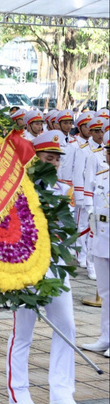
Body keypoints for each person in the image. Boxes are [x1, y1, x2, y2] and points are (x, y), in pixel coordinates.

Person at [6, 130, 88, 404]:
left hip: (55, 267)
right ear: (34, 158)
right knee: (23, 333)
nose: (53, 163)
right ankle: (19, 392)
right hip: (26, 267)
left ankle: (62, 393)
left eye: (56, 159)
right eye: (47, 157)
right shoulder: (18, 188)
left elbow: (66, 230)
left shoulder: (60, 190)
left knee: (67, 328)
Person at [81, 132, 109, 357]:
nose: (108, 155)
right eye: (108, 152)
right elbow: (94, 210)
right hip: (101, 239)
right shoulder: (101, 177)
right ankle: (105, 338)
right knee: (105, 291)